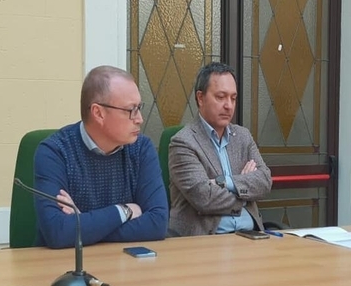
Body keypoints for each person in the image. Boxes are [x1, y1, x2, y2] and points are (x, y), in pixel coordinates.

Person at [33, 66, 167, 247]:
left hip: (124, 260)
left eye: (139, 108)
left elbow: (158, 223)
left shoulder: (141, 148)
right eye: (131, 110)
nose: (139, 119)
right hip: (66, 262)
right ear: (98, 113)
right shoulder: (55, 152)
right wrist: (124, 211)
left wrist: (83, 226)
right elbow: (58, 232)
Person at [168, 62, 272, 236]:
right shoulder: (183, 142)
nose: (229, 105)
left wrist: (225, 182)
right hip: (206, 240)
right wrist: (245, 194)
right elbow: (204, 197)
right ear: (200, 98)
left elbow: (264, 182)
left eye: (233, 98)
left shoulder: (243, 136)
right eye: (221, 97)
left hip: (251, 236)